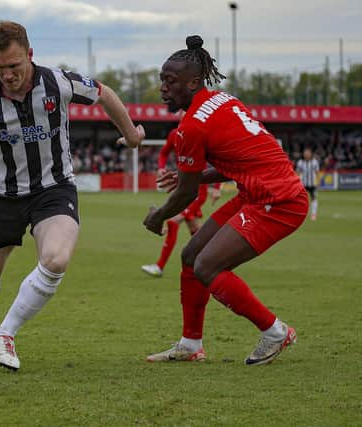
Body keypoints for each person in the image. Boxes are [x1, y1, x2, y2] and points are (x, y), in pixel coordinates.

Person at [0, 20, 144, 371]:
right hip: (3, 196)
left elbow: (103, 93)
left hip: (54, 189)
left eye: (14, 66)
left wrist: (131, 135)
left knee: (56, 259)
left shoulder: (58, 82)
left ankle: (7, 332)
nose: (7, 75)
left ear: (30, 55)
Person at [127, 35, 308, 366]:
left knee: (207, 266)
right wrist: (189, 178)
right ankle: (190, 344)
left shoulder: (191, 126)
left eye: (170, 81)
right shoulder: (223, 100)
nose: (163, 89)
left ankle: (275, 332)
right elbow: (237, 161)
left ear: (194, 82)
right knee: (191, 255)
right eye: (162, 81)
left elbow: (186, 193)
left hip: (277, 200)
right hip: (256, 192)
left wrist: (158, 216)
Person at [141, 128, 220, 277]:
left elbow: (219, 160)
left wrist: (216, 188)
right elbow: (164, 152)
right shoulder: (174, 134)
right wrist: (161, 168)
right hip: (184, 187)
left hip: (198, 192)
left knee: (172, 222)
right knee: (196, 230)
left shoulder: (200, 133)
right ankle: (215, 262)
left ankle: (159, 267)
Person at [296, 147, 320, 220]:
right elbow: (297, 173)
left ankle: (313, 214)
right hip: (303, 184)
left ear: (311, 154)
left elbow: (317, 173)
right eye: (305, 153)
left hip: (312, 184)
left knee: (313, 199)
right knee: (301, 200)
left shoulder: (314, 162)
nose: (306, 155)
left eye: (307, 153)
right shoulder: (300, 162)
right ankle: (301, 214)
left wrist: (318, 183)